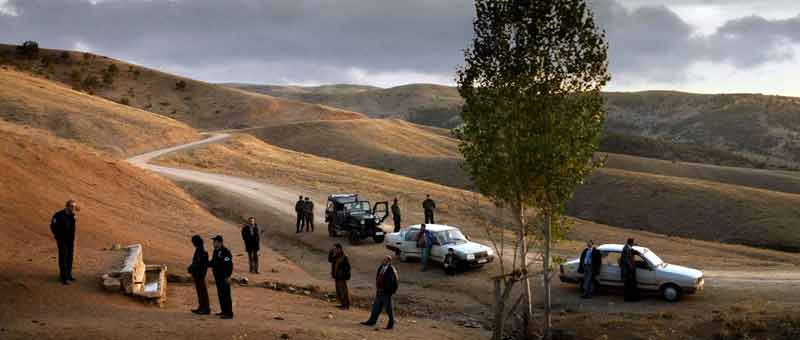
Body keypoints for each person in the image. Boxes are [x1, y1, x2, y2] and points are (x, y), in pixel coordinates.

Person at [361, 256, 399, 330]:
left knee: (389, 310)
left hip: (386, 293)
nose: (383, 261)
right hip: (379, 291)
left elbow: (395, 283)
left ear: (389, 261)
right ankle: (371, 321)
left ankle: (391, 325)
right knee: (376, 307)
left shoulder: (392, 270)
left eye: (385, 260)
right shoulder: (381, 267)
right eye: (383, 260)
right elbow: (378, 278)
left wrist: (390, 292)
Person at [50, 200, 78, 285]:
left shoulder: (72, 216)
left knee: (70, 257)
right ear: (67, 206)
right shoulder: (58, 215)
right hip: (62, 241)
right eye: (72, 206)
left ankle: (69, 275)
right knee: (63, 258)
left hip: (70, 240)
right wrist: (58, 237)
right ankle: (63, 277)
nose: (73, 208)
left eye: (74, 207)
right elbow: (52, 227)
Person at [210, 235, 234, 319]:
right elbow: (213, 262)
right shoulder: (215, 251)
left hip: (224, 277)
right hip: (218, 277)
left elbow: (229, 265)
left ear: (219, 242)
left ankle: (229, 313)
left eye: (215, 242)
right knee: (221, 294)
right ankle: (223, 311)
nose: (213, 243)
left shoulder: (225, 251)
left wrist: (228, 276)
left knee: (226, 295)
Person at [187, 235, 210, 314]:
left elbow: (199, 263)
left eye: (193, 242)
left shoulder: (201, 250)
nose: (193, 243)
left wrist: (191, 268)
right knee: (200, 291)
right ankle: (201, 307)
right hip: (198, 273)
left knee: (202, 291)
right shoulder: (200, 249)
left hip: (200, 274)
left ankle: (205, 308)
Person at [328, 244, 351, 310]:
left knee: (343, 291)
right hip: (337, 277)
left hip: (342, 277)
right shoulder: (336, 256)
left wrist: (342, 274)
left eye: (335, 248)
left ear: (339, 249)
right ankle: (342, 304)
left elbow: (348, 267)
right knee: (339, 291)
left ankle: (346, 305)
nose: (334, 250)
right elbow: (330, 260)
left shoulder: (344, 257)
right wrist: (330, 252)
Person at [620, 238, 640, 302]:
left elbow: (633, 251)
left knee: (631, 285)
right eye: (633, 243)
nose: (633, 244)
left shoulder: (629, 248)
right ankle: (627, 299)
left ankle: (632, 298)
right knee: (627, 285)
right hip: (627, 271)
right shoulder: (625, 249)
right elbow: (626, 260)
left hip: (630, 270)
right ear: (630, 243)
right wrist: (631, 267)